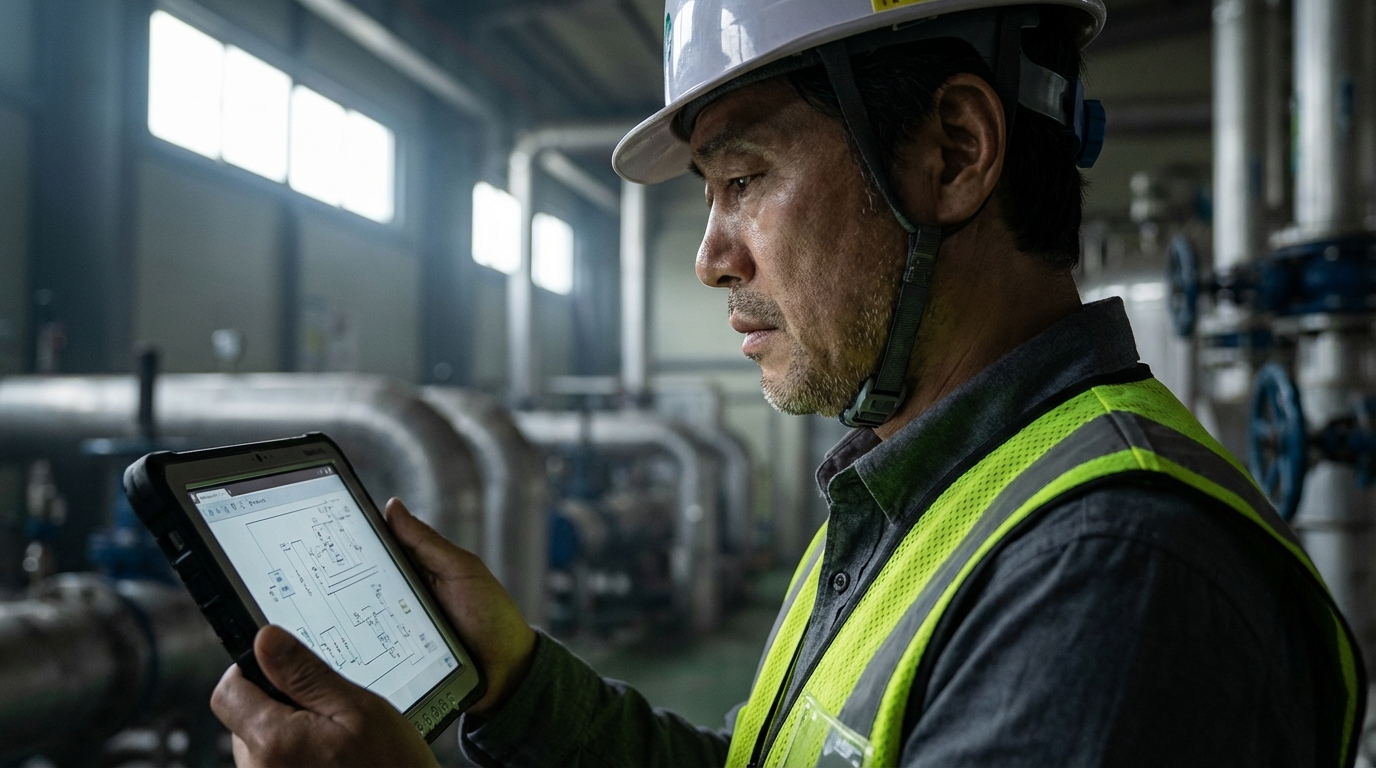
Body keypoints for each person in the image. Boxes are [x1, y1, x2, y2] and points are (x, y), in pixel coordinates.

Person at [211, 0, 1367, 765]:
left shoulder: (1107, 580)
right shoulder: (919, 491)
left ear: (954, 154)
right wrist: (517, 684)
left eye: (743, 176)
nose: (710, 255)